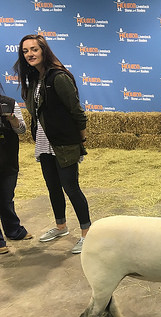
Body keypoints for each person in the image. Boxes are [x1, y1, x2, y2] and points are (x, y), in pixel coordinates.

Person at [13, 34, 90, 254]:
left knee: (71, 188)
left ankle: (87, 233)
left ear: (44, 51)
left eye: (34, 49)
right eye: (26, 51)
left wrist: (81, 139)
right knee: (52, 187)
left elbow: (76, 111)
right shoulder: (34, 79)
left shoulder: (58, 77)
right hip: (44, 144)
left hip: (64, 144)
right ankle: (61, 226)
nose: (30, 54)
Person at [0, 83, 33, 254]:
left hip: (8, 160)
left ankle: (14, 230)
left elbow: (22, 131)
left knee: (6, 197)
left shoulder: (10, 103)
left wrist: (13, 119)